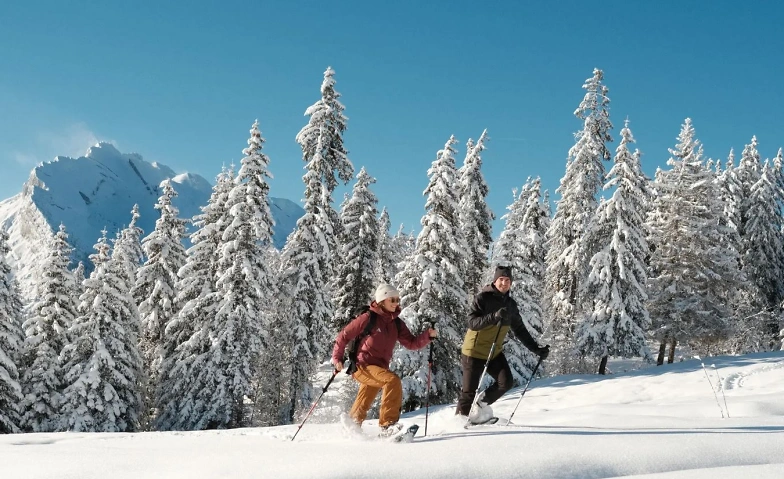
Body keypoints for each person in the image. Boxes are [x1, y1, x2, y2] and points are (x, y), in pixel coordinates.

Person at [331, 283, 438, 435]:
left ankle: (351, 427)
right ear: (382, 301)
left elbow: (412, 343)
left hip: (379, 369)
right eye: (392, 300)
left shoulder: (396, 323)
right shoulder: (368, 318)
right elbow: (344, 336)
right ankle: (388, 426)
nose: (396, 303)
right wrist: (337, 358)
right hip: (362, 366)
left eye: (397, 300)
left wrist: (427, 335)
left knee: (366, 396)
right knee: (392, 381)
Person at [456, 264, 549, 423]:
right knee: (468, 392)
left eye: (507, 280)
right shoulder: (483, 298)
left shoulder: (511, 305)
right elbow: (472, 322)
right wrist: (494, 316)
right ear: (495, 281)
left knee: (505, 382)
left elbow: (520, 330)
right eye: (501, 279)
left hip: (493, 353)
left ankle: (480, 405)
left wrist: (537, 349)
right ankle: (458, 423)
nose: (504, 283)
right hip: (473, 352)